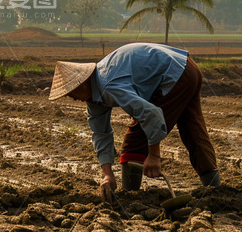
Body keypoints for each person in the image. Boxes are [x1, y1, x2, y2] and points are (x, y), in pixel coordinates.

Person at [48, 42, 220, 203]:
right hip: (187, 67)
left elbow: (151, 114)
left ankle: (130, 199)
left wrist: (154, 156)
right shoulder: (94, 97)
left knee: (135, 142)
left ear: (82, 83)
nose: (73, 98)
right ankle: (215, 190)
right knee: (192, 129)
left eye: (71, 93)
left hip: (175, 73)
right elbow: (100, 133)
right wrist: (107, 174)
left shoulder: (109, 84)